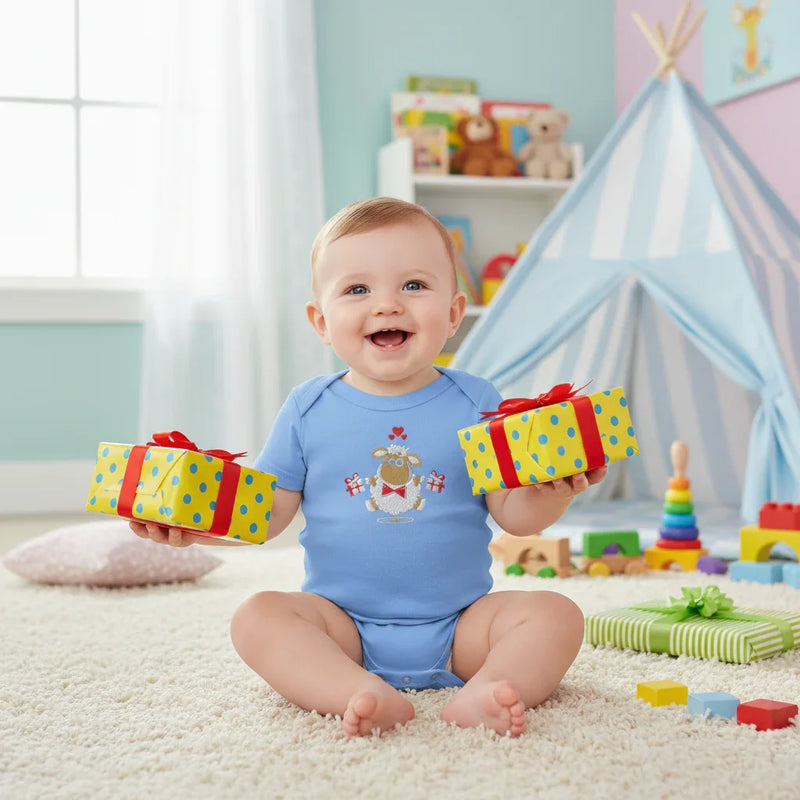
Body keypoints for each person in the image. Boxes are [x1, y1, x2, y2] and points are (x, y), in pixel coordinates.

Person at [130, 197, 606, 738]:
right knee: (256, 617)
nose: (387, 306)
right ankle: (352, 690)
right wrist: (199, 527)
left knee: (556, 614)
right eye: (358, 290)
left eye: (413, 285)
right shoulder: (307, 408)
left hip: (462, 628)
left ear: (454, 313)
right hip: (342, 630)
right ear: (321, 321)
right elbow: (265, 515)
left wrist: (555, 490)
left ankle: (492, 687)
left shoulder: (476, 402)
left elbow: (515, 516)